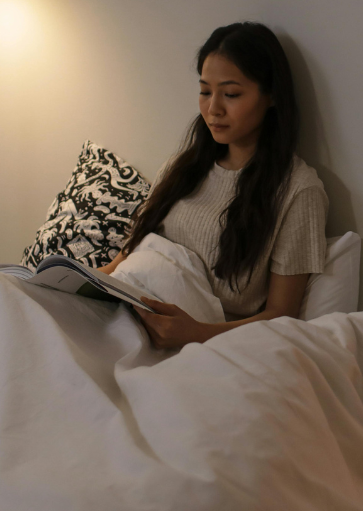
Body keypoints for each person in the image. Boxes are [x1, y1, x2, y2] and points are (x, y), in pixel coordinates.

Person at [100, 22, 328, 347]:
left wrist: (197, 335)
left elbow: (282, 314)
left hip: (193, 343)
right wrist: (84, 281)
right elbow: (125, 258)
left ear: (272, 96)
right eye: (205, 91)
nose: (213, 109)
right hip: (121, 310)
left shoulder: (297, 190)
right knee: (5, 291)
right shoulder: (183, 167)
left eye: (231, 94)